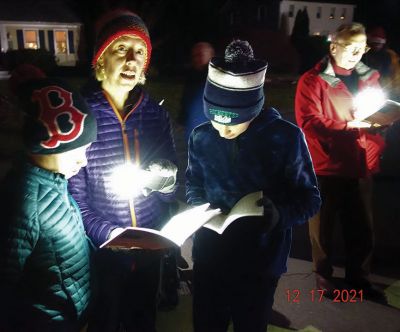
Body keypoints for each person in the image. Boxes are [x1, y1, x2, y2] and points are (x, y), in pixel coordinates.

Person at [186, 40, 321, 332]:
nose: (222, 131)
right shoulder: (201, 136)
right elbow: (194, 183)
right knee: (207, 324)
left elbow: (310, 198)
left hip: (260, 261)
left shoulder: (285, 138)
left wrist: (280, 214)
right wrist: (197, 207)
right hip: (210, 257)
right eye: (215, 120)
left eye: (232, 124)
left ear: (254, 108)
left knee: (251, 324)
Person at [67, 9, 178, 332]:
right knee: (104, 320)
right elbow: (74, 198)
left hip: (149, 249)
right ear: (101, 59)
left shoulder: (156, 117)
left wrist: (166, 179)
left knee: (143, 320)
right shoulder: (82, 116)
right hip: (101, 255)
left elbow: (170, 187)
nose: (132, 60)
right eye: (121, 49)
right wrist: (109, 235)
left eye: (140, 52)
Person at [295, 23, 387, 300]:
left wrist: (382, 123)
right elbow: (309, 122)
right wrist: (351, 126)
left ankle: (359, 278)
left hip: (360, 162)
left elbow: (380, 109)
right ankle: (323, 275)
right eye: (350, 48)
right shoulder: (312, 81)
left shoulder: (370, 78)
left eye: (362, 48)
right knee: (323, 227)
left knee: (361, 226)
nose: (357, 54)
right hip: (327, 164)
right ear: (333, 47)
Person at [0, 75, 97, 332]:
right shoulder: (23, 202)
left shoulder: (55, 182)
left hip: (69, 319)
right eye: (78, 151)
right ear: (47, 145)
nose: (83, 161)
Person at [179, 41, 215, 143]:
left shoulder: (218, 77)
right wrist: (182, 118)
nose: (196, 58)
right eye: (194, 56)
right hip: (193, 129)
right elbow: (186, 99)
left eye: (200, 55)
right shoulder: (192, 76)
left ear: (211, 55)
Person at [362, 26, 400, 100]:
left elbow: (396, 76)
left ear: (383, 43)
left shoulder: (390, 57)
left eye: (379, 43)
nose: (377, 45)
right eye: (375, 42)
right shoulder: (363, 55)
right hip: (367, 93)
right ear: (369, 42)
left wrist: (396, 95)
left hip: (388, 93)